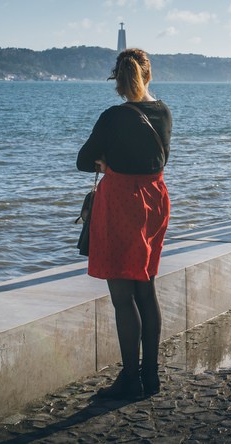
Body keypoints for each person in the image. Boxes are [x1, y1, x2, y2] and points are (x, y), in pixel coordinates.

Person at [77, 48, 173, 399]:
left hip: (120, 202)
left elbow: (83, 160)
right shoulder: (163, 112)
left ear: (117, 82)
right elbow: (157, 157)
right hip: (155, 201)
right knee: (146, 288)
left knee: (122, 296)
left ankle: (130, 379)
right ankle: (152, 376)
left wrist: (105, 162)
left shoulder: (113, 117)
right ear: (148, 75)